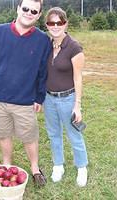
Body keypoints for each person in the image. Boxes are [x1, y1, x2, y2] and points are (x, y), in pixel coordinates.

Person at [0, 0, 51, 187]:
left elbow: (43, 72)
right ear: (18, 9)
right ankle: (6, 164)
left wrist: (39, 97)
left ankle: (35, 169)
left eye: (34, 11)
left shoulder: (42, 40)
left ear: (39, 15)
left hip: (25, 101)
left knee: (30, 136)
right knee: (4, 134)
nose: (28, 13)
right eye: (25, 8)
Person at [43, 7, 88, 187]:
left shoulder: (74, 47)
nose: (55, 26)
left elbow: (78, 77)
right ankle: (58, 165)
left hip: (68, 98)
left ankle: (82, 167)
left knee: (74, 134)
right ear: (47, 25)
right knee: (53, 134)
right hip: (49, 99)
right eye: (51, 23)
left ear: (65, 23)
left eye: (59, 22)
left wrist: (77, 105)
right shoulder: (47, 44)